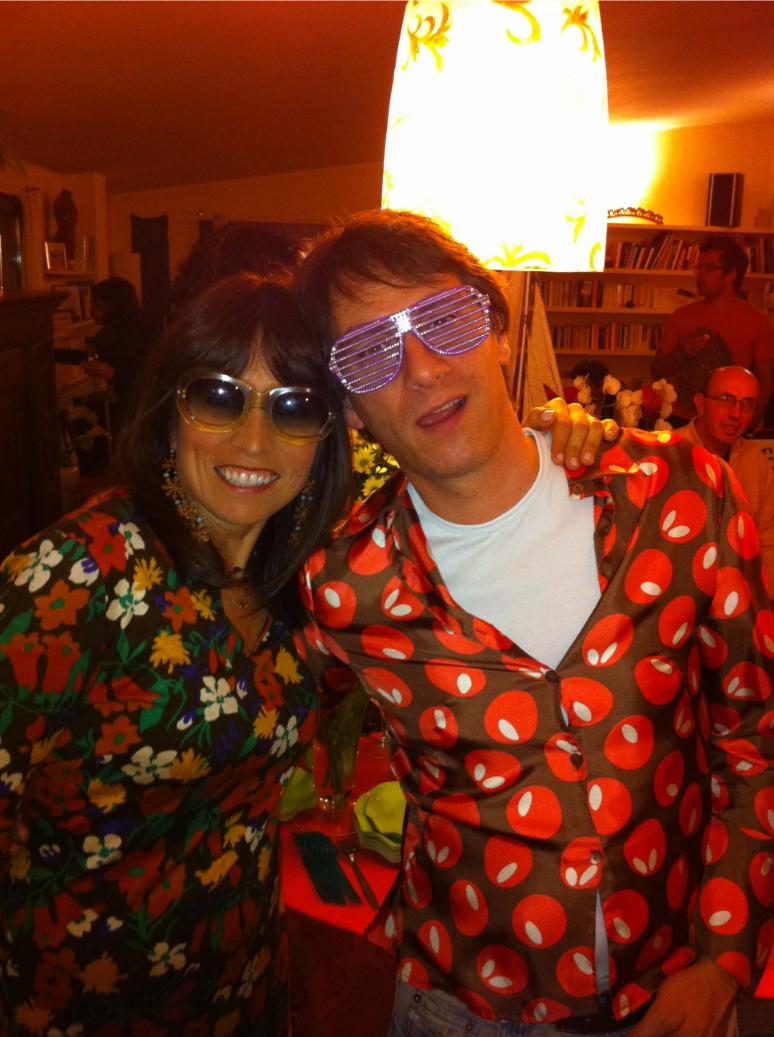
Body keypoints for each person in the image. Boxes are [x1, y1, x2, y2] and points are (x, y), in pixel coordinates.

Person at [294, 210, 773, 1037]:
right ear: (351, 408)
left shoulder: (682, 496)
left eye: (444, 319)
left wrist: (723, 962)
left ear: (500, 332)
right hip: (460, 1007)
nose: (422, 368)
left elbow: (755, 743)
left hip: (679, 989)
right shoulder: (343, 584)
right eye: (370, 353)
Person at [0, 274, 353, 1035]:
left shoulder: (301, 572)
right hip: (82, 1008)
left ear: (323, 438)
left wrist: (551, 450)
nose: (254, 440)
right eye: (220, 398)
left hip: (247, 991)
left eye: (293, 407)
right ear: (170, 411)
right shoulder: (74, 577)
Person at [651, 234, 774, 424]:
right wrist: (681, 354)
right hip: (681, 419)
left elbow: (766, 380)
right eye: (699, 267)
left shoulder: (758, 321)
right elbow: (657, 372)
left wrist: (749, 421)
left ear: (731, 274)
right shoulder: (682, 315)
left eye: (709, 268)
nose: (700, 274)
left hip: (730, 421)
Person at [679, 365, 774, 603]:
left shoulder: (756, 462)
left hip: (739, 599)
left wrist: (764, 604)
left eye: (747, 404)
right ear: (700, 404)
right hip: (677, 595)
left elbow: (768, 542)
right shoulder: (670, 452)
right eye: (725, 399)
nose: (736, 414)